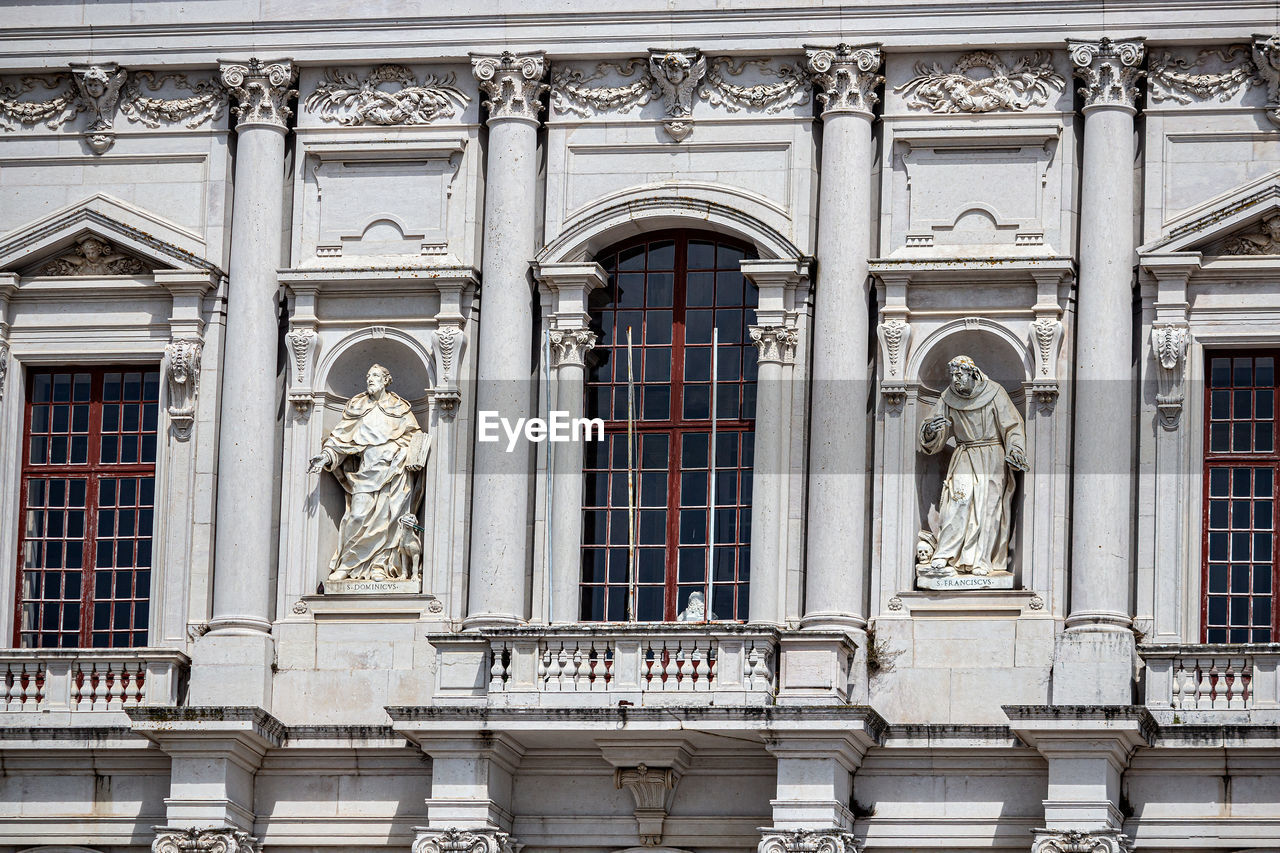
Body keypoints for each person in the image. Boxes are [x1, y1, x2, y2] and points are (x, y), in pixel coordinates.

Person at [309, 364, 427, 582]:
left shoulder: (400, 409)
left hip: (394, 472)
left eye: (374, 376)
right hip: (366, 471)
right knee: (357, 515)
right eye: (367, 376)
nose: (369, 379)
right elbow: (341, 438)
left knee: (389, 519)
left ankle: (380, 566)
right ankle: (348, 564)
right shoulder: (358, 407)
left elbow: (416, 438)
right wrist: (325, 456)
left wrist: (405, 454)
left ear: (386, 380)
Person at [919, 355, 1028, 577]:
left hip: (992, 455)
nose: (955, 380)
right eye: (953, 376)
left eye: (960, 375)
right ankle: (945, 554)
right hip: (964, 454)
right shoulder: (948, 397)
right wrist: (932, 430)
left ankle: (981, 560)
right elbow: (931, 430)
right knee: (957, 502)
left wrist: (1015, 449)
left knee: (988, 508)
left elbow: (1013, 426)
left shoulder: (995, 392)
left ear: (973, 374)